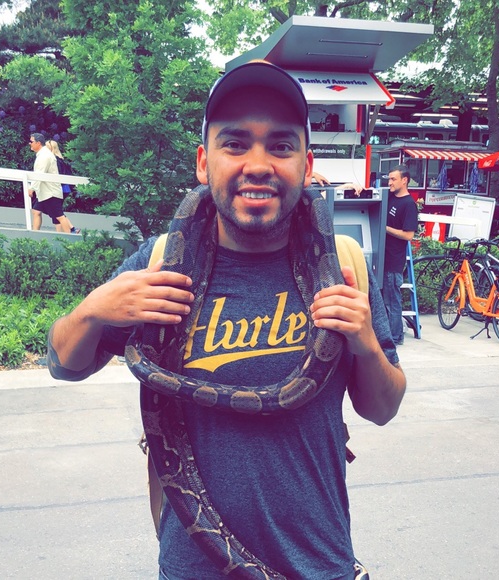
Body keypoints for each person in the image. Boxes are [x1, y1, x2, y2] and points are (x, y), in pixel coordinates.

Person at [47, 61, 406, 579]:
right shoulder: (160, 265)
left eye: (281, 146)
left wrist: (366, 343)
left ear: (307, 166)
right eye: (235, 144)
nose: (257, 164)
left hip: (319, 563)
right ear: (204, 162)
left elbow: (383, 408)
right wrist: (91, 311)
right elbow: (62, 364)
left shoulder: (343, 266)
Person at [383, 164, 419, 346]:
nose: (389, 182)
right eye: (389, 179)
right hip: (382, 258)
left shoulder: (409, 205)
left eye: (393, 179)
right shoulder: (389, 197)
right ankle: (387, 334)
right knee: (383, 300)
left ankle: (396, 337)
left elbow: (408, 235)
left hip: (393, 261)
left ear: (404, 180)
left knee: (392, 301)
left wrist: (384, 227)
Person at [28, 133, 76, 233]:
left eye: (31, 141)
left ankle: (69, 237)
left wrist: (32, 188)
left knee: (59, 216)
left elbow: (39, 174)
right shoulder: (43, 154)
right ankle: (35, 234)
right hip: (45, 192)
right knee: (36, 211)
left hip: (50, 193)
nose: (29, 143)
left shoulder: (44, 156)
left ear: (38, 143)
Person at [45, 139, 81, 234]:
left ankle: (69, 230)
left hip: (60, 188)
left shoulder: (55, 160)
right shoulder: (60, 159)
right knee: (56, 210)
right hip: (64, 188)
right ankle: (71, 229)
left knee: (56, 210)